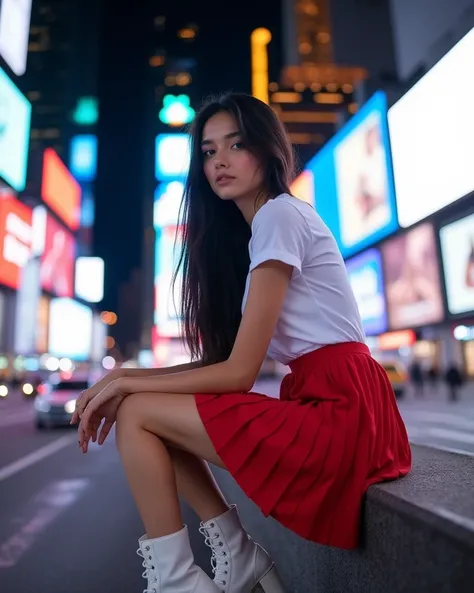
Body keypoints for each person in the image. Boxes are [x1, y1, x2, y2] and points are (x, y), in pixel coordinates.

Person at [71, 93, 412, 593]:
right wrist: (124, 379)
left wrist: (123, 379)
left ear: (268, 150)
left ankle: (180, 580)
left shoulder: (278, 216)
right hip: (343, 409)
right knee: (145, 409)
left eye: (235, 144)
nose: (220, 161)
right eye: (208, 151)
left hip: (341, 417)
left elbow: (238, 375)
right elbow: (224, 363)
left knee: (138, 411)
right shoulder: (262, 229)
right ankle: (229, 554)